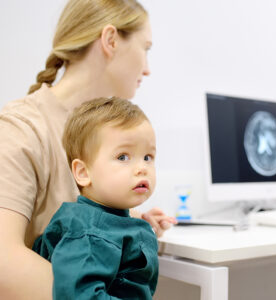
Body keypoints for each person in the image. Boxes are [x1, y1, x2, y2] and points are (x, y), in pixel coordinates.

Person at [0, 1, 175, 299]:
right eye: (145, 48)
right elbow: (4, 261)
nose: (147, 68)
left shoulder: (106, 139)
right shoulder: (19, 128)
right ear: (110, 40)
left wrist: (134, 225)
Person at [34, 97, 160, 299]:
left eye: (148, 157)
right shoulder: (89, 233)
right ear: (83, 173)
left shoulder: (107, 220)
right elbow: (80, 296)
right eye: (123, 157)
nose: (142, 168)